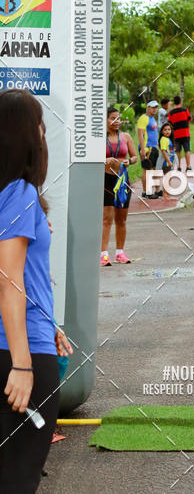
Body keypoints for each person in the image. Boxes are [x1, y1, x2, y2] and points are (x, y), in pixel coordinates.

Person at [0, 89, 72, 490]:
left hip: (26, 339)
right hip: (17, 354)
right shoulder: (19, 195)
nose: (44, 134)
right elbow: (9, 280)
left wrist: (49, 322)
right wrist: (23, 365)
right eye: (40, 125)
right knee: (18, 479)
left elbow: (23, 276)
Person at [102, 107, 138, 265]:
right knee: (106, 218)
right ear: (105, 119)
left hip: (122, 181)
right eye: (112, 118)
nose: (116, 121)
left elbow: (135, 157)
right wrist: (104, 160)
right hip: (106, 180)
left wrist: (129, 161)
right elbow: (92, 157)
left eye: (118, 118)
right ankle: (103, 254)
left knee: (121, 220)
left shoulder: (126, 137)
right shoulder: (99, 138)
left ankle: (119, 253)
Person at [137, 100, 160, 198]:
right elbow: (140, 135)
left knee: (155, 169)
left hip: (154, 147)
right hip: (147, 148)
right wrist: (142, 150)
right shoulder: (143, 118)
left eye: (156, 107)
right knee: (147, 170)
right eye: (153, 107)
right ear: (148, 108)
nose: (155, 109)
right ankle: (146, 192)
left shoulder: (152, 119)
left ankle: (158, 191)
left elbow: (153, 134)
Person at [168, 95, 192, 172]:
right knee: (187, 150)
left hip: (176, 135)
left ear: (174, 102)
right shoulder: (185, 110)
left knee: (177, 151)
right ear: (180, 101)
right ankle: (188, 166)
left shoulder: (171, 113)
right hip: (185, 133)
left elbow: (170, 124)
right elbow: (189, 120)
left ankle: (178, 167)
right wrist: (188, 130)